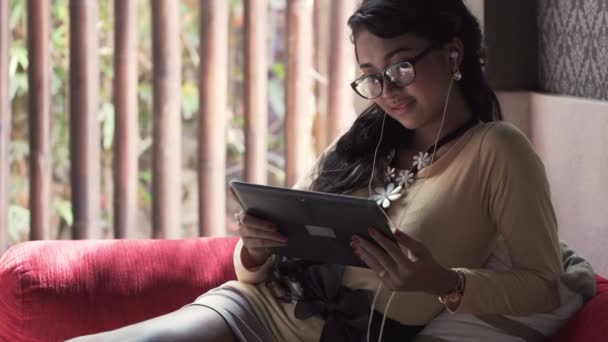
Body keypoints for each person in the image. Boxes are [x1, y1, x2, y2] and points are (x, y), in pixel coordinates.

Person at [69, 0, 566, 341]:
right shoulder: (362, 142)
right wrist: (256, 247)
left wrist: (444, 281)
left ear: (453, 53)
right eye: (371, 78)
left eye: (402, 68)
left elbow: (545, 283)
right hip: (256, 307)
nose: (387, 91)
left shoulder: (497, 150)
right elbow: (253, 265)